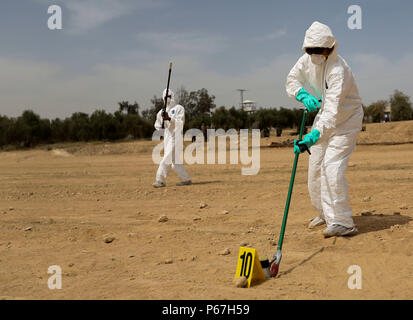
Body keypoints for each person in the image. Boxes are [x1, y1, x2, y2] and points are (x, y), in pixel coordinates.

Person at [286, 21, 363, 238]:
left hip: (346, 121)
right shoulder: (306, 60)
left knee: (331, 168)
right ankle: (325, 213)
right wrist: (302, 94)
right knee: (315, 170)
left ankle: (343, 222)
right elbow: (292, 79)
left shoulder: (339, 70)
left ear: (329, 48)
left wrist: (312, 137)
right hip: (325, 117)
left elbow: (332, 111)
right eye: (310, 50)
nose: (314, 55)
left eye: (318, 51)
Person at [152, 89, 192, 188]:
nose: (167, 99)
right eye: (166, 97)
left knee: (167, 158)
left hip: (176, 136)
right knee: (175, 161)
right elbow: (157, 125)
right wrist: (161, 123)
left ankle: (160, 180)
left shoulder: (179, 108)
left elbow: (180, 123)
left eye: (169, 96)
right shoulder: (161, 111)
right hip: (167, 136)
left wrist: (169, 118)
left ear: (172, 96)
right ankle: (185, 179)